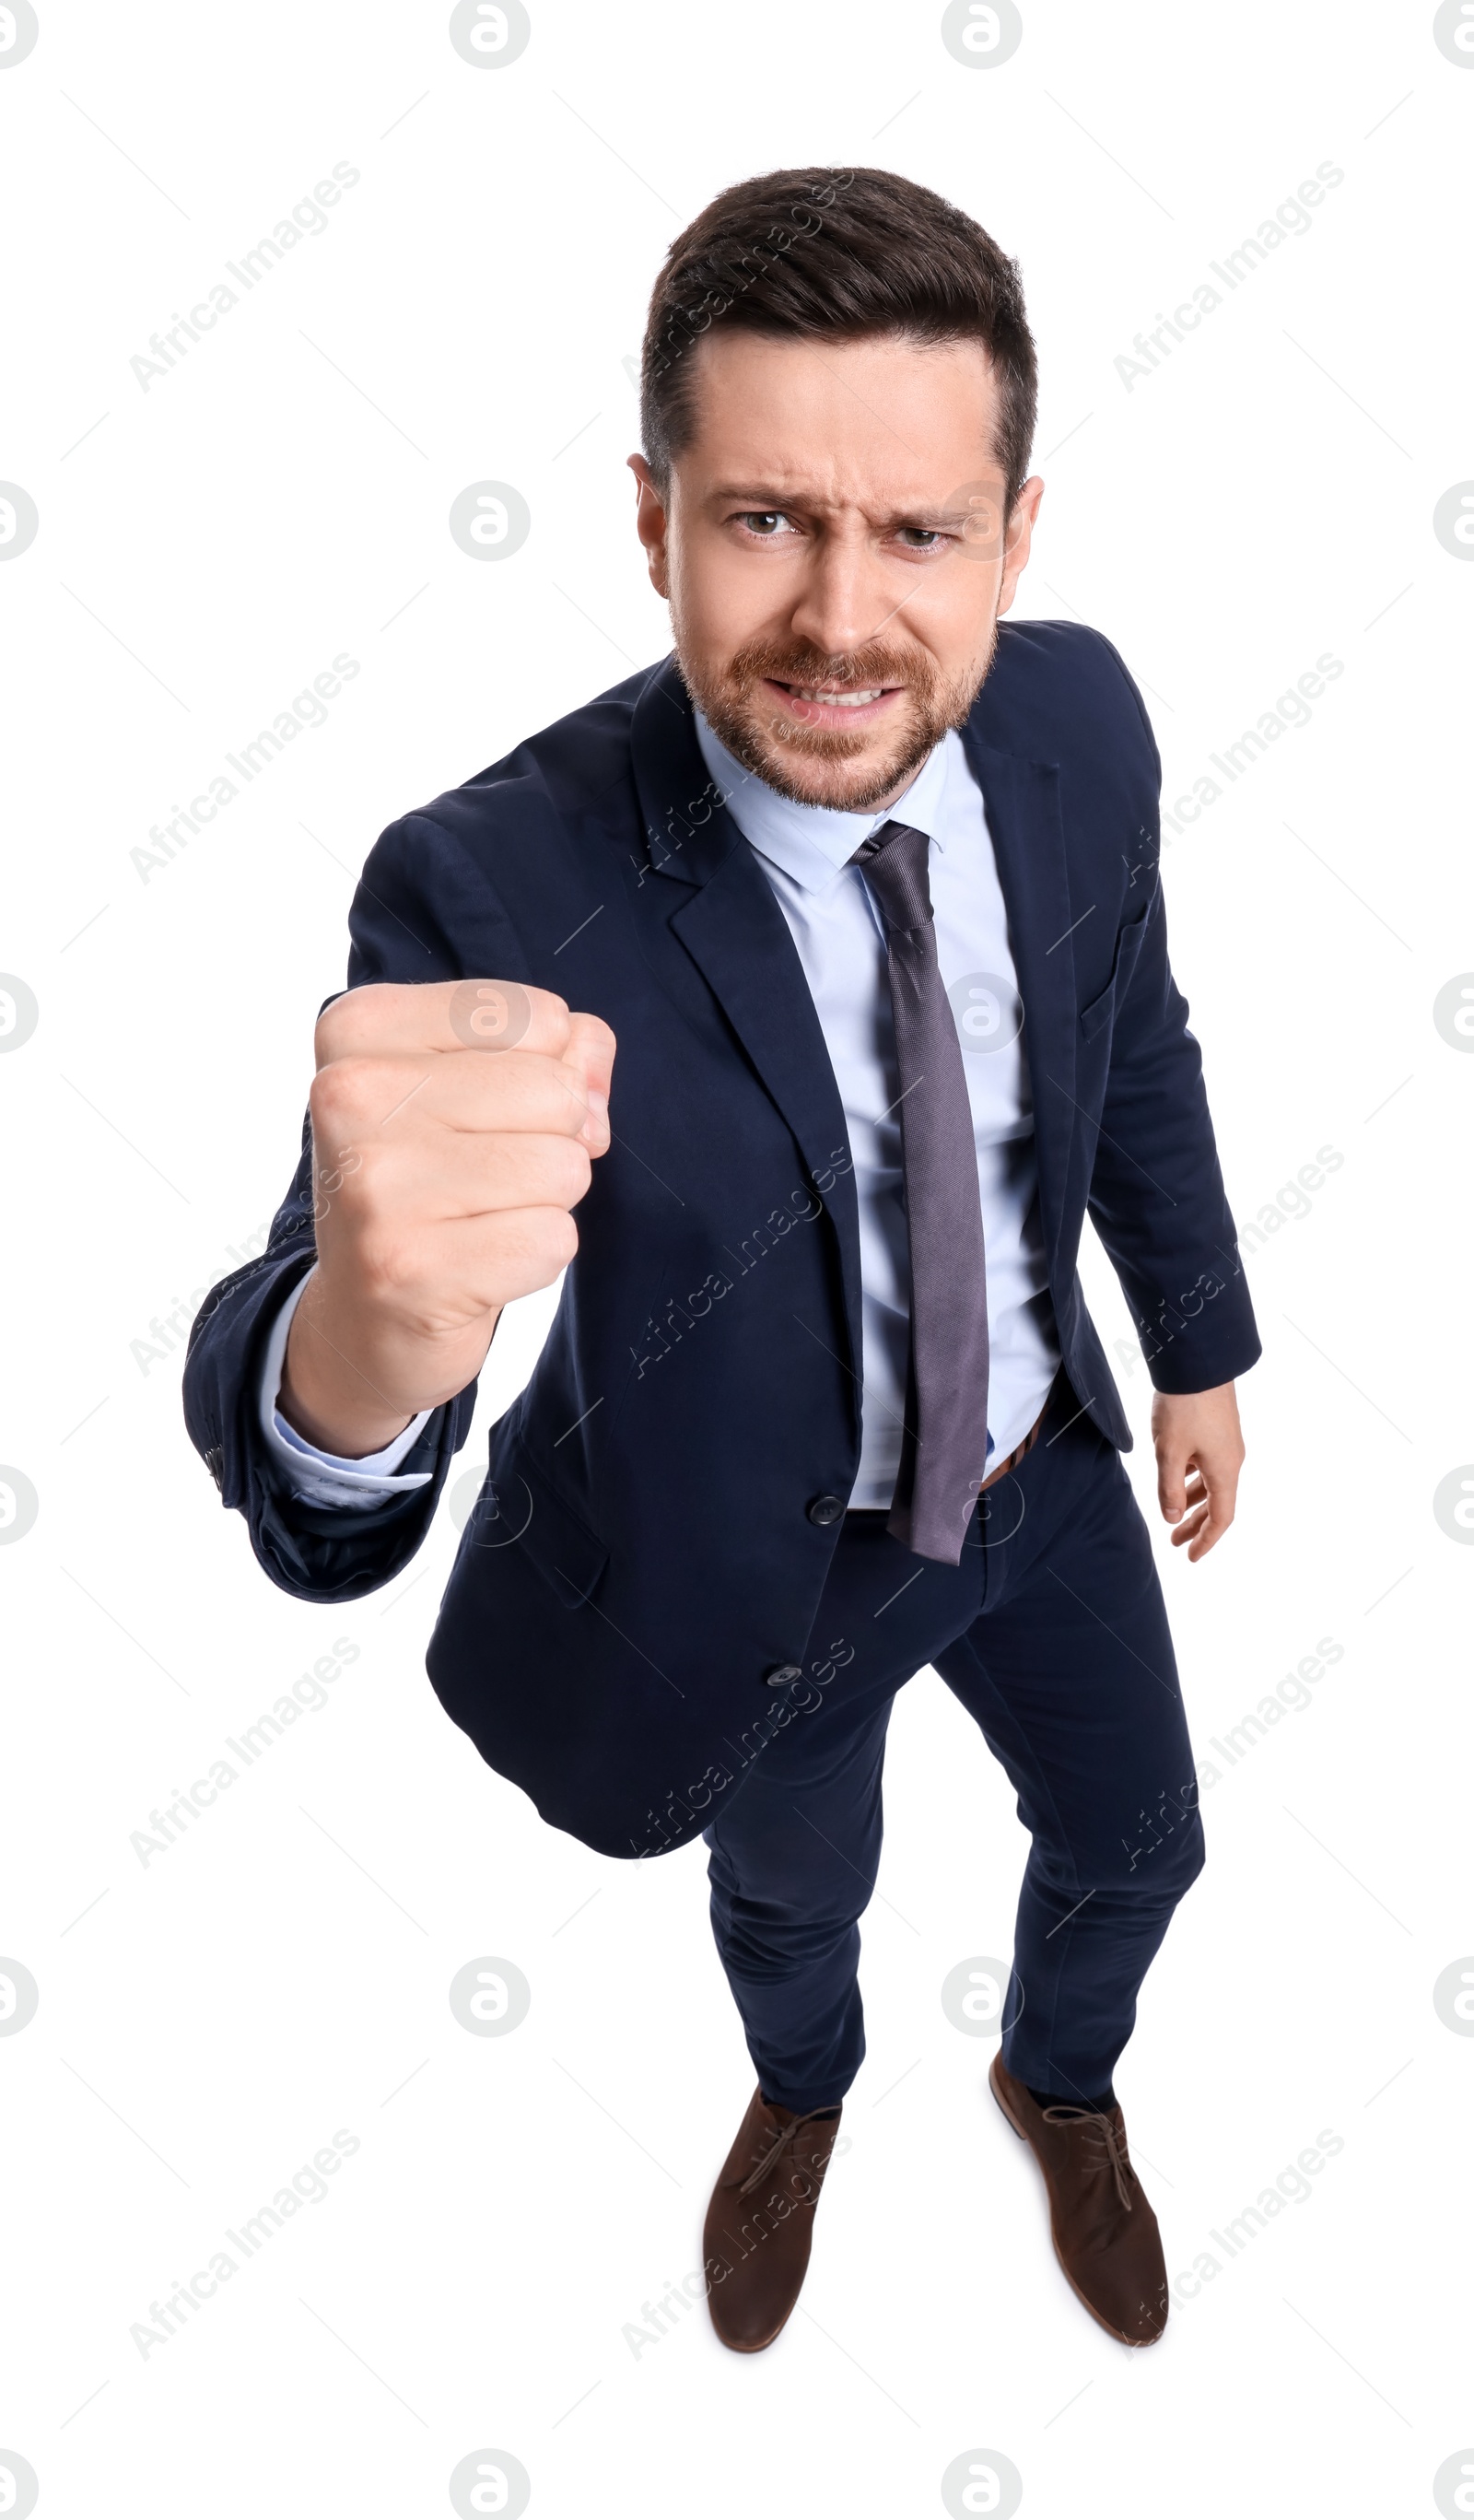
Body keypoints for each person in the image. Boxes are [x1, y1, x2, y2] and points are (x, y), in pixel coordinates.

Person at [184, 166, 1258, 2354]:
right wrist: (352, 1365)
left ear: (1013, 536)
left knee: (1143, 1846)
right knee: (791, 1906)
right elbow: (320, 1343)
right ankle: (800, 2094)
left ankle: (1057, 2082)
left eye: (919, 533)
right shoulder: (499, 885)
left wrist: (1197, 1351)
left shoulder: (1077, 725)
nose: (844, 620)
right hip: (778, 1583)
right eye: (765, 518)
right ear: (650, 518)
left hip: (1043, 1480)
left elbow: (1130, 1029)